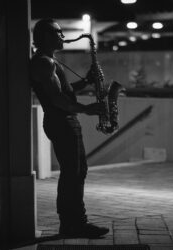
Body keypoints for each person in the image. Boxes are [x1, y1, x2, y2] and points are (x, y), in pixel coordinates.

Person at [30, 19, 109, 238]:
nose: (63, 36)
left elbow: (63, 90)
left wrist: (84, 83)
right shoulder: (44, 63)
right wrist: (86, 109)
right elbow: (56, 99)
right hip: (61, 121)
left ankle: (74, 222)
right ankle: (73, 224)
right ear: (45, 37)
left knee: (76, 172)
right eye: (58, 32)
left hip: (63, 121)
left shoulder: (48, 61)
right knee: (72, 175)